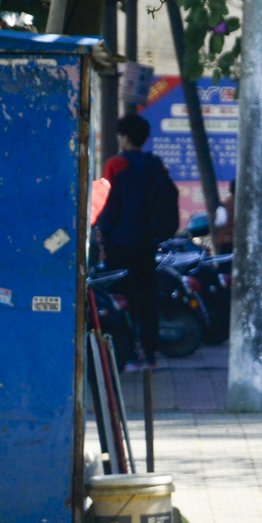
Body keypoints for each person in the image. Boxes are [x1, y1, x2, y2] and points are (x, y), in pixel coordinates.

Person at [95, 114, 169, 366]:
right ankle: (149, 353)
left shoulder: (115, 164)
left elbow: (105, 203)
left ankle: (125, 353)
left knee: (120, 298)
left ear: (125, 137)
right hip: (147, 242)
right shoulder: (155, 164)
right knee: (147, 298)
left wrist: (100, 230)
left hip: (119, 243)